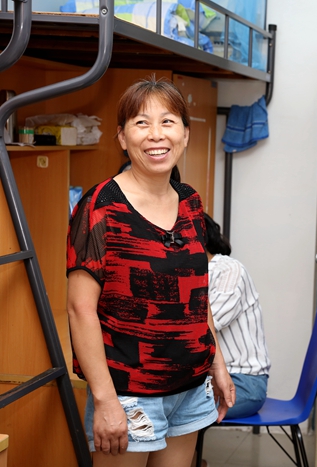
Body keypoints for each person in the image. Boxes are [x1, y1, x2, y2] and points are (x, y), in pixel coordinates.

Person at [66, 77, 235, 467]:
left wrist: (218, 364)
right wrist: (105, 400)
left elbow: (197, 296)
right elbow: (80, 310)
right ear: (122, 138)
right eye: (141, 123)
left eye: (167, 122)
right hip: (129, 393)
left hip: (191, 387)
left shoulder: (191, 202)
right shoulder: (100, 207)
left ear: (185, 134)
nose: (156, 134)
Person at [203, 213, 271, 419]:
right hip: (207, 378)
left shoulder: (227, 270)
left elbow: (202, 326)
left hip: (242, 382)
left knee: (168, 407)